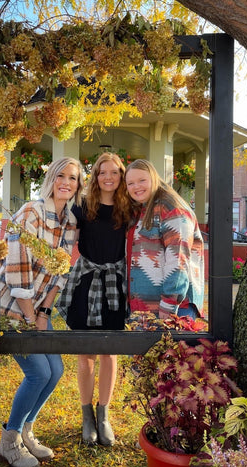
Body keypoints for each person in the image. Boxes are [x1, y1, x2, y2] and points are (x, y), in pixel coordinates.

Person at [0, 157, 84, 467]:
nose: (66, 182)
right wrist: (29, 314)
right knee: (38, 373)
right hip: (12, 306)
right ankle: (9, 441)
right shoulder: (30, 212)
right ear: (50, 178)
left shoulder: (71, 222)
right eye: (60, 175)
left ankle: (25, 432)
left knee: (56, 370)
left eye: (73, 178)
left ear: (78, 185)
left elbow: (60, 272)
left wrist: (44, 311)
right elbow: (17, 269)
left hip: (38, 308)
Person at [56, 152, 131, 447]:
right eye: (102, 172)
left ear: (121, 176)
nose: (108, 177)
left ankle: (103, 415)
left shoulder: (129, 209)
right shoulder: (82, 207)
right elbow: (59, 224)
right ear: (95, 177)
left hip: (114, 284)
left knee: (108, 352)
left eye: (114, 172)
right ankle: (86, 416)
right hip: (86, 282)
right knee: (85, 352)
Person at [125, 159, 204, 321]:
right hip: (145, 308)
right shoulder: (144, 208)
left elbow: (178, 260)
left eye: (142, 180)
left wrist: (169, 303)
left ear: (154, 178)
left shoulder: (172, 209)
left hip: (173, 309)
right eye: (130, 183)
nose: (136, 187)